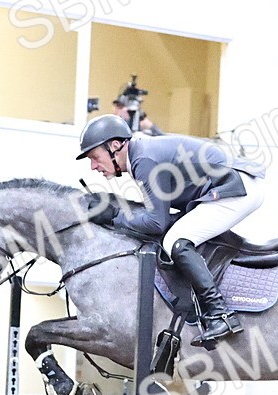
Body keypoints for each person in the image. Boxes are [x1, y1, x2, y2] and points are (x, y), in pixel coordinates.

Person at [75, 114, 266, 347]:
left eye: (95, 157)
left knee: (177, 240)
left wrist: (115, 217)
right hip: (231, 184)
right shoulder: (141, 154)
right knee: (178, 233)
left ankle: (220, 314)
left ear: (115, 145)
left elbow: (157, 223)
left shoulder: (143, 160)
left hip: (236, 186)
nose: (94, 166)